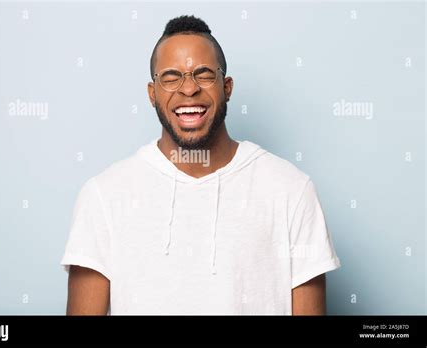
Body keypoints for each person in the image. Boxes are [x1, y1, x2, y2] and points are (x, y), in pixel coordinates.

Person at [61, 15, 341, 315]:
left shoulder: (292, 191)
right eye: (170, 77)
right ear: (152, 94)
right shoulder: (103, 196)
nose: (189, 89)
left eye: (204, 74)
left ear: (228, 87)